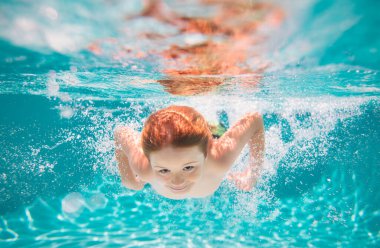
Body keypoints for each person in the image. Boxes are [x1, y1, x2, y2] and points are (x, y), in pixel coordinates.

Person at [114, 105, 264, 200]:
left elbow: (255, 119)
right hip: (178, 139)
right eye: (164, 170)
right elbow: (120, 133)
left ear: (206, 154)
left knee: (213, 123)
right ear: (149, 160)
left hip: (213, 133)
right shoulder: (143, 167)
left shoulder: (220, 159)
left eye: (188, 167)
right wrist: (127, 178)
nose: (177, 182)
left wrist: (252, 175)